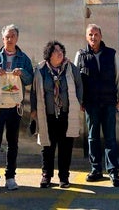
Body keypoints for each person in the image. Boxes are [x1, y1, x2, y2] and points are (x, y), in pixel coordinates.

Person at [0, 24, 33, 194]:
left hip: (15, 106)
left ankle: (10, 176)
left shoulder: (23, 58)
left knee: (13, 143)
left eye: (12, 36)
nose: (10, 39)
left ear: (17, 38)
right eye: (7, 37)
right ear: (2, 39)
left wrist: (23, 73)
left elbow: (30, 79)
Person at [74, 24, 119, 187]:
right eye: (90, 34)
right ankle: (96, 169)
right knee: (92, 138)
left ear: (101, 36)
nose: (93, 37)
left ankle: (113, 172)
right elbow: (77, 82)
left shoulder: (111, 54)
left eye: (96, 34)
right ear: (86, 37)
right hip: (90, 104)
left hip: (109, 102)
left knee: (110, 137)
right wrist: (79, 100)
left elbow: (118, 77)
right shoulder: (80, 55)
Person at [30, 40, 82, 189]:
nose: (60, 53)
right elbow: (34, 92)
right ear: (49, 54)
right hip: (47, 115)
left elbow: (79, 86)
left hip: (66, 113)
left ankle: (64, 177)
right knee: (47, 146)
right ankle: (46, 175)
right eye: (55, 51)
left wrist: (79, 102)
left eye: (61, 51)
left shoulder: (70, 68)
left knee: (66, 146)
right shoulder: (40, 70)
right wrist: (33, 109)